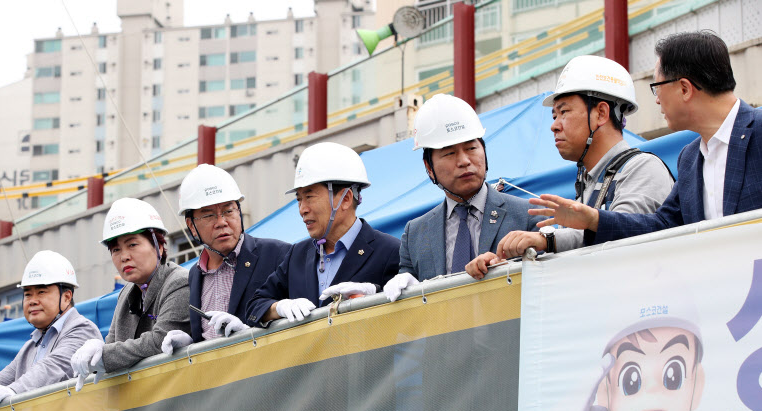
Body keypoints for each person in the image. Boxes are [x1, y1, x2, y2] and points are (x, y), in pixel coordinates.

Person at [528, 31, 762, 242]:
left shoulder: (758, 132)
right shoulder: (690, 158)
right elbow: (662, 225)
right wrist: (595, 219)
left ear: (684, 88)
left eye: (657, 86)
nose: (657, 99)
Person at [476, 56, 674, 276]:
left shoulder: (643, 169)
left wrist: (545, 240)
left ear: (601, 113)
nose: (554, 125)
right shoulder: (589, 182)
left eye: (564, 112)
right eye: (554, 115)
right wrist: (508, 263)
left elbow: (623, 236)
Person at [384, 94, 542, 300]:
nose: (464, 160)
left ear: (484, 151)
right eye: (449, 153)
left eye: (471, 148)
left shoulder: (527, 214)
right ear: (428, 168)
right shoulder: (415, 234)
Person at [545, 304, 711, 411]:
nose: (652, 391)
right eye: (630, 381)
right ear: (606, 393)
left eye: (673, 376)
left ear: (696, 386)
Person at [245, 142, 400, 327]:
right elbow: (254, 306)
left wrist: (375, 293)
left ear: (346, 199)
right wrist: (279, 308)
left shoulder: (389, 251)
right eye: (299, 199)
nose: (302, 209)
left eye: (309, 197)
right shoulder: (297, 255)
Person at [0, 251, 102, 411]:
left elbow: (53, 367)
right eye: (27, 294)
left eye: (41, 292)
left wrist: (14, 391)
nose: (32, 301)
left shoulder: (82, 330)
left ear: (67, 297)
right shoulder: (30, 347)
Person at [161, 165, 290, 354]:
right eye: (209, 215)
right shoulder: (194, 275)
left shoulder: (277, 254)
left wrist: (248, 333)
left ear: (239, 211)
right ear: (191, 225)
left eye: (228, 211)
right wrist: (190, 345)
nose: (221, 222)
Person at [71, 198, 190, 390]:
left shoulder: (179, 282)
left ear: (158, 246)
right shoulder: (126, 293)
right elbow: (111, 341)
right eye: (116, 249)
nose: (124, 256)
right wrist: (97, 351)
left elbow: (159, 340)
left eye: (132, 245)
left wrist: (103, 356)